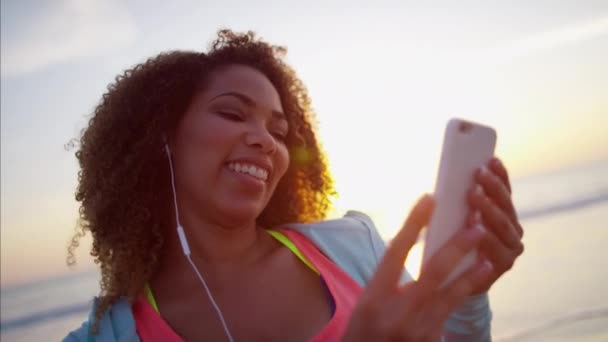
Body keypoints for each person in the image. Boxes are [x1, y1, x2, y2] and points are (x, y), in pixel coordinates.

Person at [64, 29, 524, 342]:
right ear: (162, 137)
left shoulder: (354, 247)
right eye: (231, 113)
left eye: (279, 132)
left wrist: (465, 297)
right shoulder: (106, 335)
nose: (265, 141)